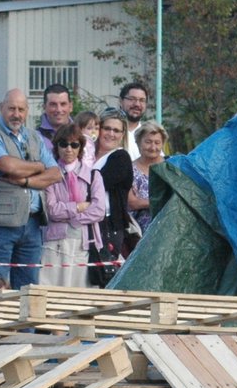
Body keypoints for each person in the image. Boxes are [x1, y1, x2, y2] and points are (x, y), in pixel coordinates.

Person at [0, 89, 60, 292]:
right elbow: (7, 166)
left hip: (32, 223)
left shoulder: (34, 137)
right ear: (1, 108)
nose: (16, 114)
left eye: (21, 109)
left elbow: (55, 173)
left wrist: (25, 181)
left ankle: (25, 326)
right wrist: (39, 166)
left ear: (27, 111)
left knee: (29, 292)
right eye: (11, 108)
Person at [39, 125, 107, 287]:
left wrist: (73, 219)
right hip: (55, 243)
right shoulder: (50, 175)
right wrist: (78, 207)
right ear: (56, 147)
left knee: (81, 295)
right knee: (53, 293)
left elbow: (98, 211)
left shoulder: (93, 175)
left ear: (80, 148)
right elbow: (52, 211)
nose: (69, 149)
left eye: (74, 144)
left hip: (85, 242)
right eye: (63, 144)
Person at [90, 110, 136, 284]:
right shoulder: (86, 155)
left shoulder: (121, 157)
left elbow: (99, 185)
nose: (111, 134)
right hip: (83, 222)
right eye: (107, 128)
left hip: (108, 224)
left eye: (116, 130)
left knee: (104, 275)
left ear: (122, 134)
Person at [127, 122, 166, 232]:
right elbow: (132, 203)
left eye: (157, 142)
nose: (153, 147)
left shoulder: (171, 167)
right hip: (138, 232)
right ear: (138, 142)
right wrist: (161, 201)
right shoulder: (129, 169)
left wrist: (144, 202)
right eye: (148, 142)